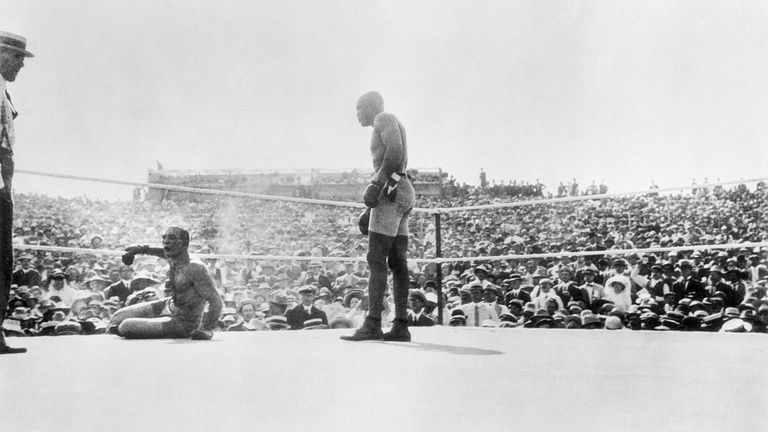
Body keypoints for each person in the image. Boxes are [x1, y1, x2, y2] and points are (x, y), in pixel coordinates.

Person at [342, 91, 415, 342]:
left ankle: (373, 322)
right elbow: (397, 157)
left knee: (376, 257)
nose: (357, 114)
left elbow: (394, 151)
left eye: (359, 108)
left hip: (392, 190)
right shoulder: (391, 121)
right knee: (398, 261)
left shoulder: (383, 118)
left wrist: (376, 184)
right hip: (401, 188)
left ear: (372, 106)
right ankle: (401, 325)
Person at [108, 226, 223, 340]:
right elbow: (160, 251)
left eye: (172, 238)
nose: (166, 242)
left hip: (184, 321)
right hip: (168, 304)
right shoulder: (174, 256)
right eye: (164, 238)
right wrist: (141, 249)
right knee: (117, 317)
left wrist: (207, 329)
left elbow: (216, 300)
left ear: (184, 243)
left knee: (126, 326)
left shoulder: (195, 268)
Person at [0, 31, 32, 354]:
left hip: (2, 184)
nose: (21, 64)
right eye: (17, 57)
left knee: (2, 258)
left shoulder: (3, 91)